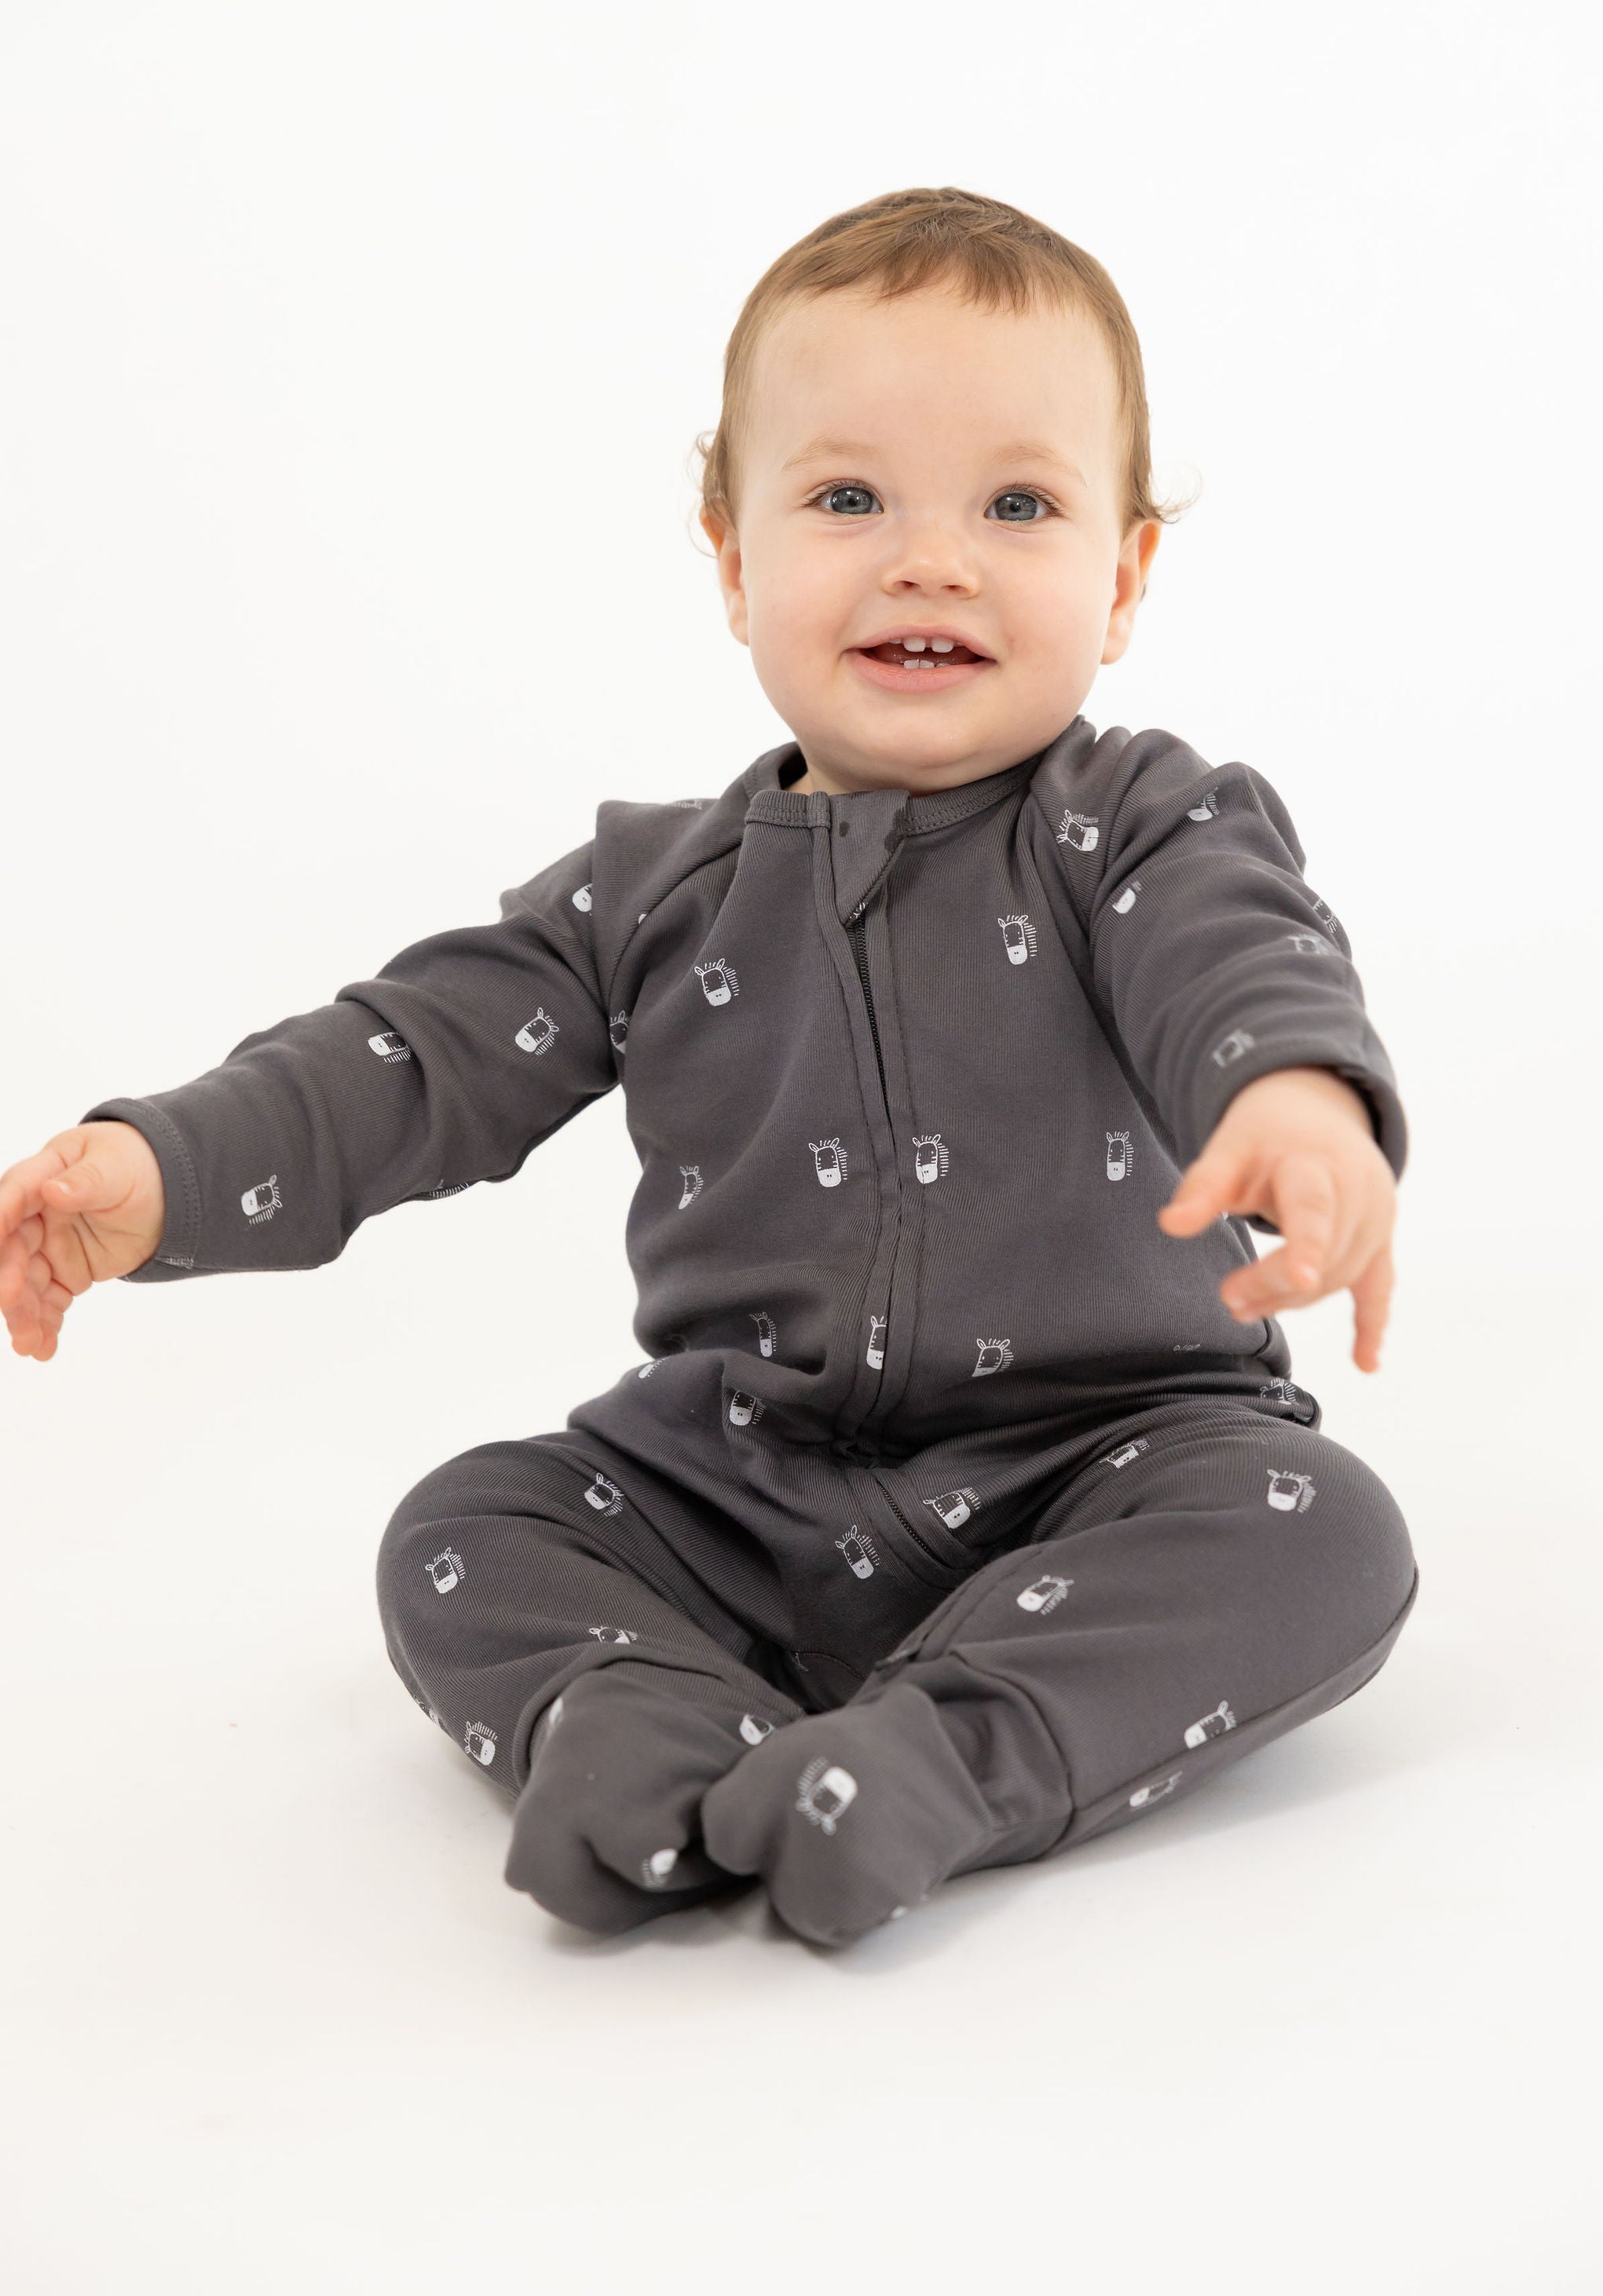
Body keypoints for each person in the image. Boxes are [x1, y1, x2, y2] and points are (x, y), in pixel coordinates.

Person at [0, 186, 1418, 1949]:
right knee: (463, 1527)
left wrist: (1294, 1098)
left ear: (1121, 579)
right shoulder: (649, 893)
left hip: (1107, 1460)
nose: (931, 560)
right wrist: (161, 1170)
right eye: (848, 499)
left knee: (1322, 1533)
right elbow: (410, 1056)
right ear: (734, 560)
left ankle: (937, 1763)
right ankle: (644, 1725)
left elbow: (1240, 956)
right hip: (745, 1487)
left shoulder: (1140, 826)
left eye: (1016, 506)